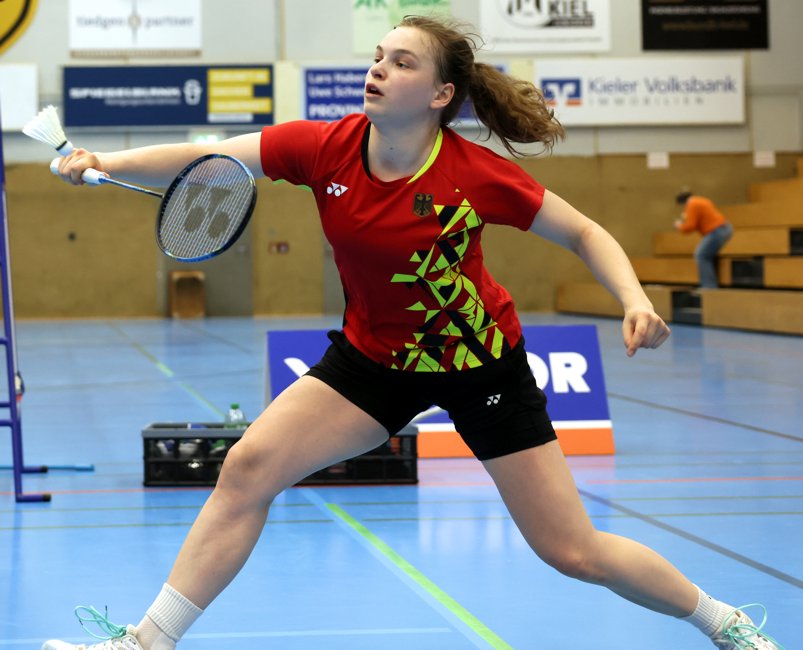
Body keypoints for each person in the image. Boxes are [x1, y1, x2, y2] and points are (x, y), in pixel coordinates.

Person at [44, 15, 783, 650]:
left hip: (483, 367)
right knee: (246, 471)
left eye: (402, 62)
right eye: (376, 56)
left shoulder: (473, 173)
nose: (377, 69)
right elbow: (212, 159)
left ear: (438, 96)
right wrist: (101, 160)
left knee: (573, 552)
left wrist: (632, 297)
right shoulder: (323, 147)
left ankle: (723, 623)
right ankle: (148, 640)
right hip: (373, 362)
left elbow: (583, 230)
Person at [674, 191, 734, 289]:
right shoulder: (701, 200)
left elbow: (690, 226)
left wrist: (679, 226)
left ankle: (709, 287)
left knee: (701, 255)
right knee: (706, 255)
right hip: (725, 228)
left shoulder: (691, 204)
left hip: (716, 231)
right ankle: (710, 285)